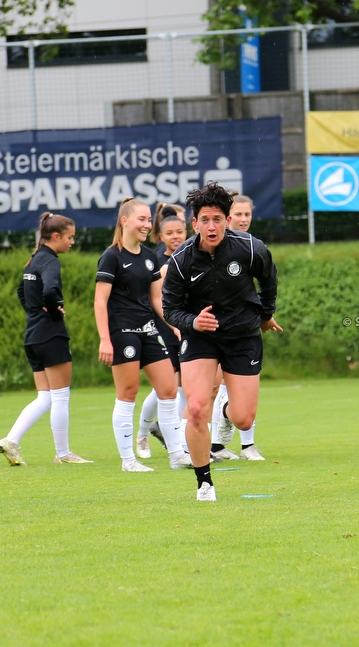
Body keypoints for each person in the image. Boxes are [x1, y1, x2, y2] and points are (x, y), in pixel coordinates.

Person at [163, 183, 281, 501]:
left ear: (227, 221)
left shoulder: (250, 248)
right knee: (197, 408)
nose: (211, 226)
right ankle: (205, 483)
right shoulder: (181, 260)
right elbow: (169, 309)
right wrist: (193, 322)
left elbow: (269, 278)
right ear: (195, 223)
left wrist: (265, 314)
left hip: (242, 336)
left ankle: (226, 412)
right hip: (201, 339)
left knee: (244, 419)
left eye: (217, 219)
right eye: (205, 220)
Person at [94, 198, 191, 472]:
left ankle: (176, 455)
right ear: (124, 221)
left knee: (169, 390)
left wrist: (175, 324)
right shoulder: (111, 256)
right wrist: (105, 339)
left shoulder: (149, 257)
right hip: (122, 333)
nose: (147, 225)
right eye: (142, 220)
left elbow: (157, 298)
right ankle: (128, 461)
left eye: (149, 220)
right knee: (128, 393)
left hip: (149, 331)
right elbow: (100, 301)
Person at [0, 213, 91, 466]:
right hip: (51, 334)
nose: (72, 242)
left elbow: (20, 290)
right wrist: (55, 307)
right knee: (60, 396)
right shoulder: (50, 260)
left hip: (33, 336)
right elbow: (50, 290)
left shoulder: (34, 259)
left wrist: (35, 311)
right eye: (70, 237)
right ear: (56, 236)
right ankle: (63, 454)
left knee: (46, 397)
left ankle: (11, 440)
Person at [209, 193, 268, 462]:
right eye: (238, 215)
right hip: (214, 329)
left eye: (247, 215)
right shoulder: (210, 247)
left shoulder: (252, 247)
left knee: (240, 389)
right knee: (217, 389)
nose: (243, 220)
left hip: (244, 328)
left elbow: (261, 286)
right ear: (228, 217)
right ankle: (213, 444)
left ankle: (244, 445)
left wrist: (265, 315)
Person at [136, 206, 188, 458]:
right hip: (163, 327)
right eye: (170, 232)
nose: (176, 236)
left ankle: (177, 438)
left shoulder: (191, 255)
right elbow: (153, 296)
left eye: (180, 231)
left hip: (185, 325)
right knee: (166, 387)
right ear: (161, 236)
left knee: (179, 387)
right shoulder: (157, 260)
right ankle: (143, 434)